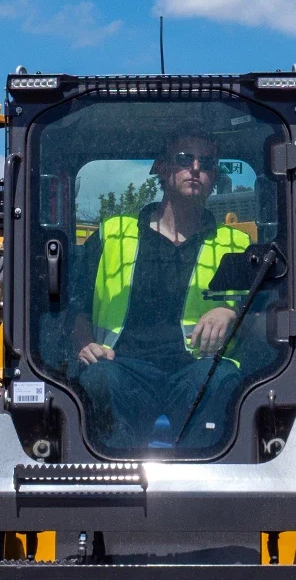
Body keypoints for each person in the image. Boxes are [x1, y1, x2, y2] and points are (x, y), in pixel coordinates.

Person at [69, 133, 253, 450]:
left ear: (214, 178)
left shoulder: (235, 245)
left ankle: (205, 491)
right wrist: (84, 343)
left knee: (223, 382)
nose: (195, 168)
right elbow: (75, 304)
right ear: (163, 169)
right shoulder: (114, 234)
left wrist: (231, 312)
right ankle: (116, 489)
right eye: (184, 159)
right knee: (97, 382)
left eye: (206, 163)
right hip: (124, 368)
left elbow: (263, 315)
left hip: (195, 370)